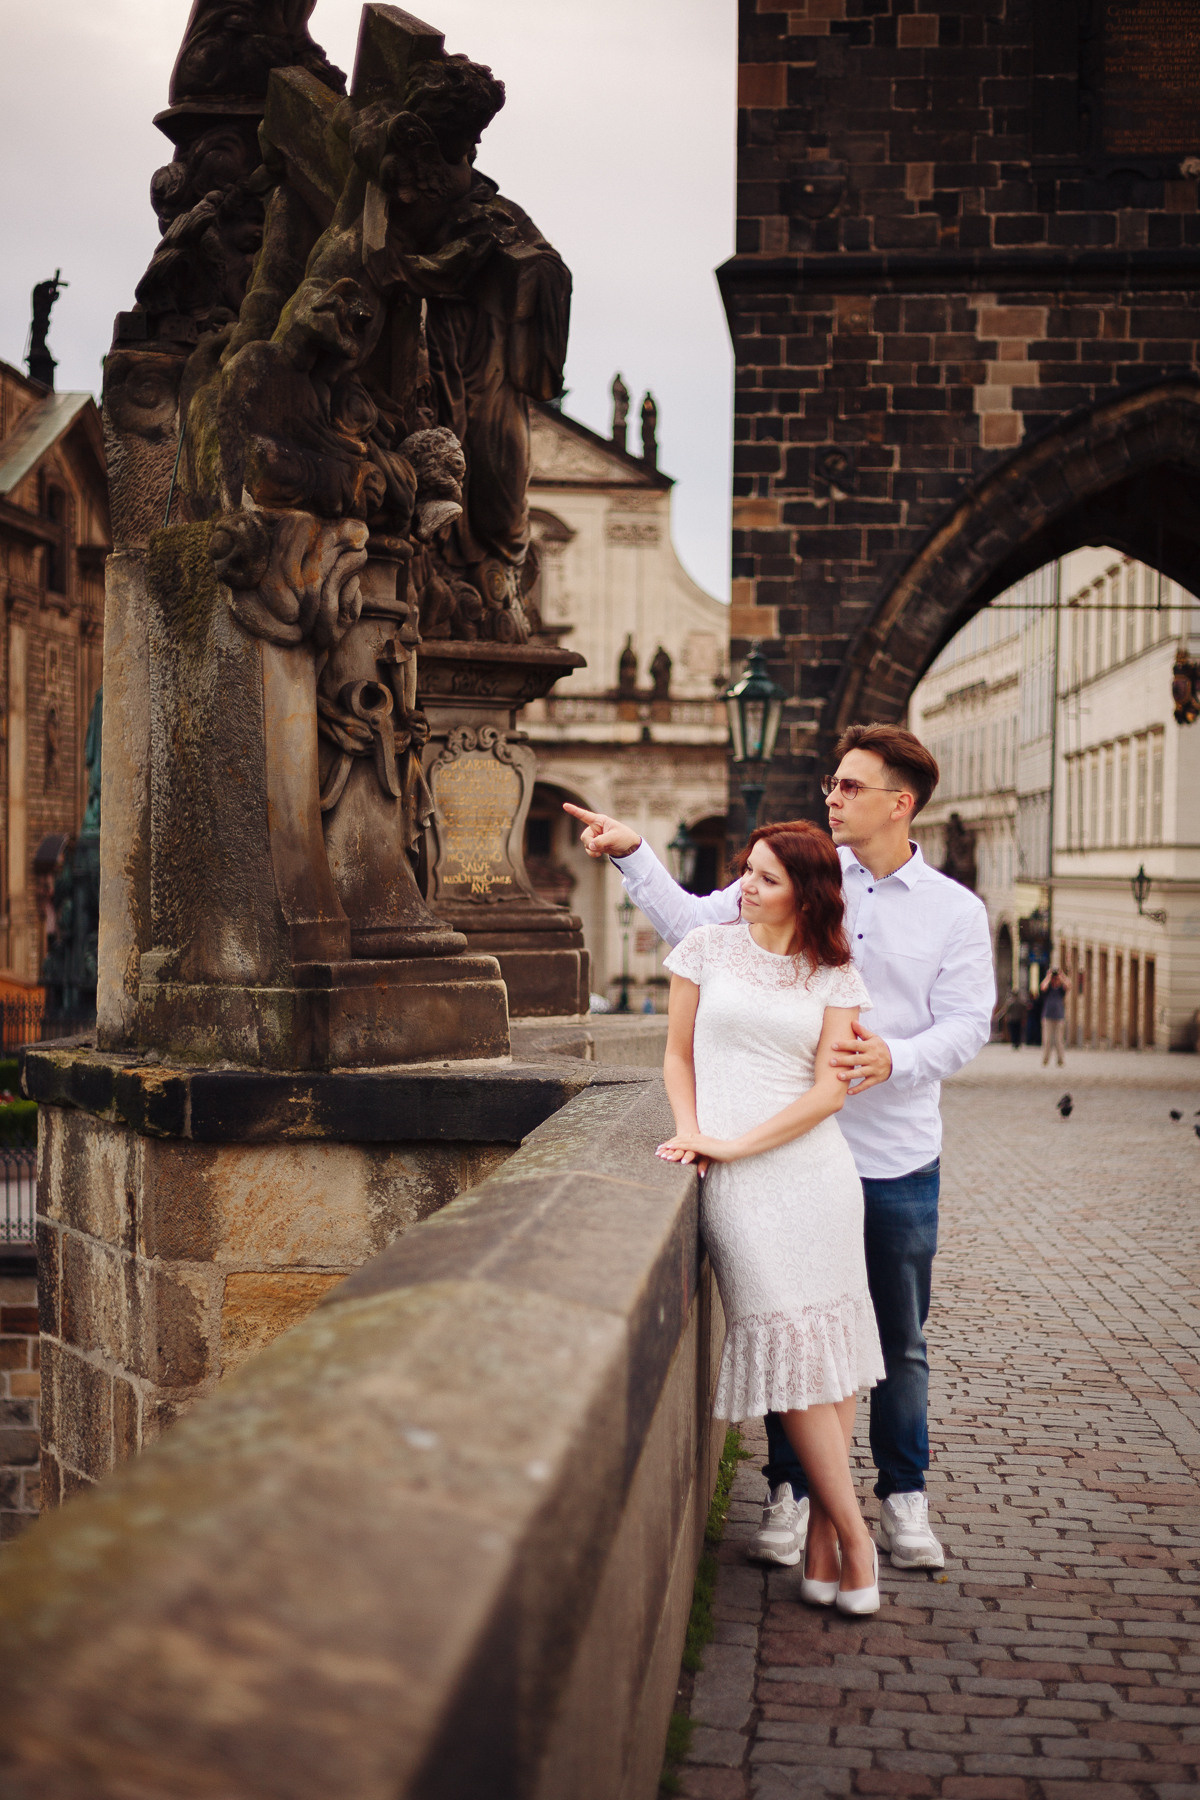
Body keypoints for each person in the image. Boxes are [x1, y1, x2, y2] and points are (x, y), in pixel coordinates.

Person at [564, 723, 995, 1573]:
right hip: (786, 1159)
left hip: (892, 1155)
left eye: (849, 787)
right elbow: (695, 927)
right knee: (794, 1327)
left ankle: (903, 1495)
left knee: (896, 1338)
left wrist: (893, 1058)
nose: (831, 796)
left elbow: (968, 1026)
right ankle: (793, 1495)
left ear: (898, 804)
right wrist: (632, 851)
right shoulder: (798, 879)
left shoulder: (955, 910)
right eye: (832, 784)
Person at [657, 821, 885, 1612]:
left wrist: (734, 1141)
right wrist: (693, 1131)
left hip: (815, 1173)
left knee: (832, 1343)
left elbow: (829, 1092)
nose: (744, 886)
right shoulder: (706, 951)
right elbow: (678, 1055)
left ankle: (826, 1538)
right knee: (790, 1344)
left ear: (807, 895)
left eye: (764, 878)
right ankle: (857, 1537)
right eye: (745, 871)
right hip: (739, 1186)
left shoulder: (835, 972)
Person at [1040, 969, 1067, 1066]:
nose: (1055, 980)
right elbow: (1042, 987)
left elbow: (1068, 985)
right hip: (1048, 1017)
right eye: (1054, 978)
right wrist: (1048, 976)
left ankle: (1060, 1060)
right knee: (1047, 1040)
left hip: (1059, 1017)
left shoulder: (1061, 990)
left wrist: (1061, 975)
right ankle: (1045, 1060)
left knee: (1059, 1040)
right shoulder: (1048, 989)